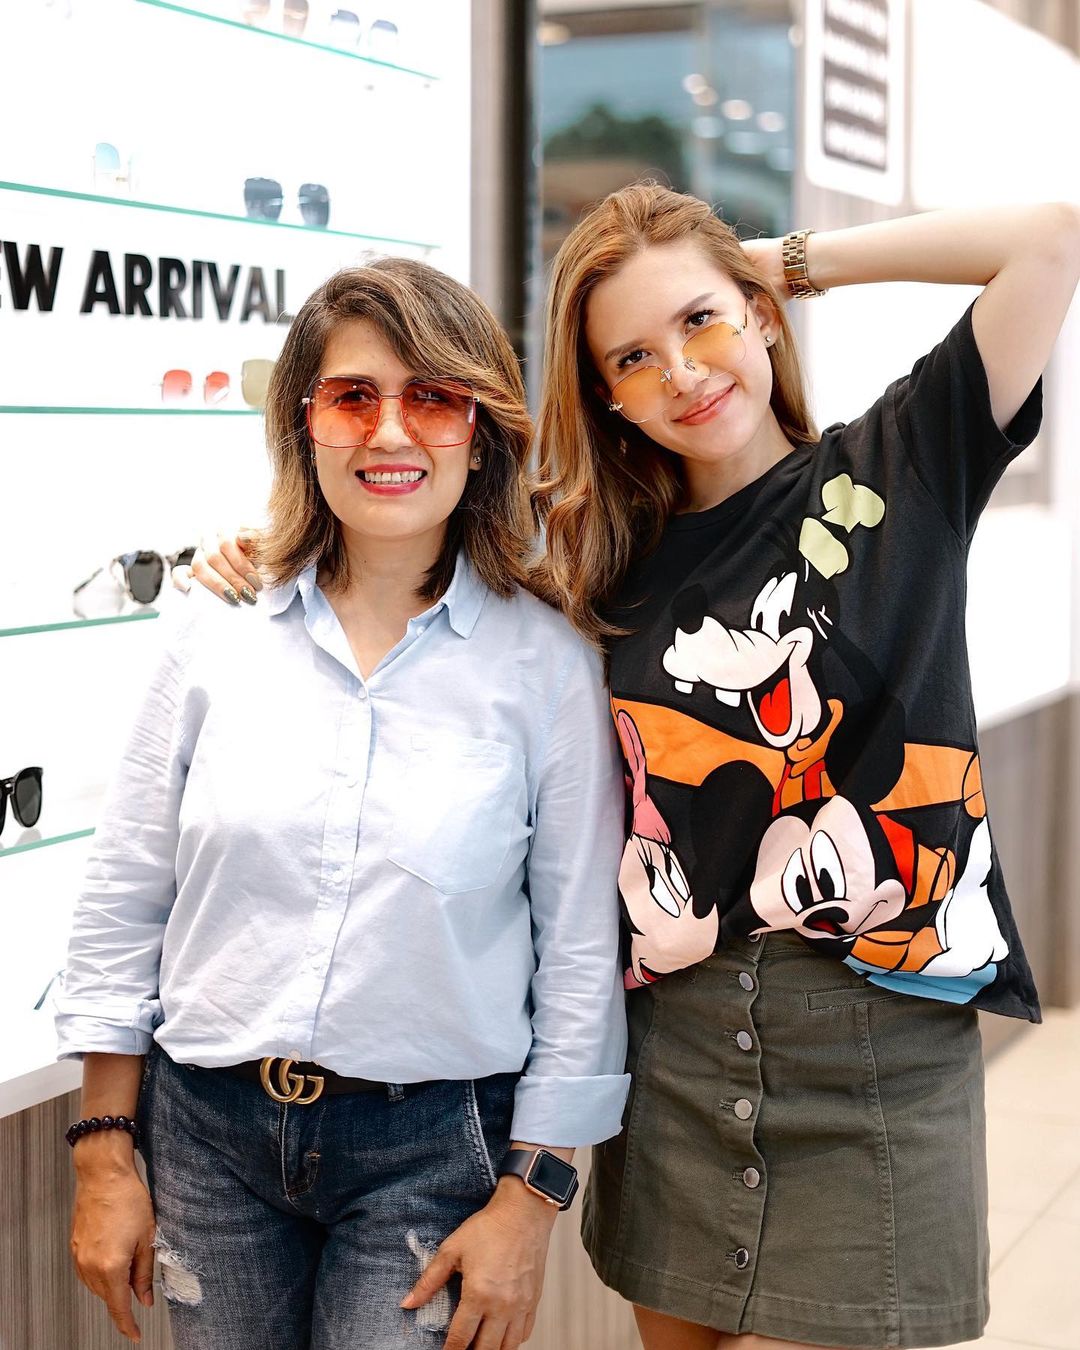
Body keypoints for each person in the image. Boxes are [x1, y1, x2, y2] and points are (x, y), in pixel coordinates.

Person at [189, 188, 1080, 1350]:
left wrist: (777, 261)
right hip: (678, 1052)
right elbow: (394, 532)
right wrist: (266, 546)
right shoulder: (594, 556)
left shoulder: (898, 470)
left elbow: (1049, 237)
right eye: (636, 355)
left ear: (762, 319)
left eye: (705, 323)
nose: (685, 372)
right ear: (606, 391)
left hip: (872, 1043)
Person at [55, 258, 630, 1350]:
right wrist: (103, 1151)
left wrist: (532, 1200)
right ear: (305, 423)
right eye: (353, 396)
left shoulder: (545, 663)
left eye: (433, 398)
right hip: (207, 1142)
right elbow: (129, 887)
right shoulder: (214, 624)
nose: (390, 434)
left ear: (481, 428)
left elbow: (577, 953)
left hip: (432, 1153)